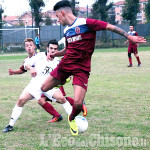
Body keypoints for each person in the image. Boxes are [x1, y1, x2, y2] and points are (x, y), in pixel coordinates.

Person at [41, 1, 146, 136]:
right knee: (44, 88)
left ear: (63, 12)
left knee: (78, 104)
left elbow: (110, 27)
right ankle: (64, 79)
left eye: (57, 16)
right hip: (65, 65)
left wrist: (128, 36)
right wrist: (57, 53)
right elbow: (68, 49)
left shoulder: (87, 23)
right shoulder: (67, 30)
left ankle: (72, 118)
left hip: (82, 69)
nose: (57, 19)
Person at [3, 38, 73, 133]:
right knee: (21, 100)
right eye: (51, 48)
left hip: (49, 86)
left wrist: (66, 78)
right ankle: (10, 125)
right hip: (36, 85)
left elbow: (65, 73)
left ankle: (73, 120)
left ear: (57, 50)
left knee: (62, 99)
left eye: (55, 49)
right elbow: (26, 64)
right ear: (47, 48)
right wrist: (31, 69)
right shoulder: (39, 56)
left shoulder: (58, 62)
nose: (53, 50)